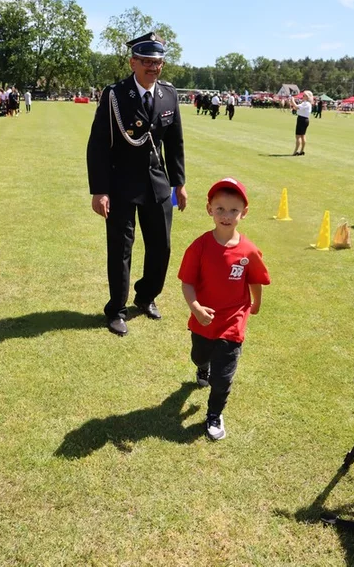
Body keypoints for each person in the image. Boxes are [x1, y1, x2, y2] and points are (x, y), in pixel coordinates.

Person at [87, 32, 187, 336]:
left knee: (162, 245)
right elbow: (98, 145)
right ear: (133, 62)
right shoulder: (115, 95)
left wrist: (179, 184)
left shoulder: (168, 94)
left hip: (157, 181)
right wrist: (99, 190)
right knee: (120, 249)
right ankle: (116, 309)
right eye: (146, 61)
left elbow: (175, 142)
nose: (153, 67)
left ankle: (146, 297)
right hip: (121, 182)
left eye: (157, 62)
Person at [178, 178, 270, 440]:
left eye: (233, 210)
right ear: (209, 210)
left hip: (233, 322)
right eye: (220, 209)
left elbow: (255, 280)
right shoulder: (199, 247)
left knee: (224, 377)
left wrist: (256, 303)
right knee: (199, 355)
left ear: (244, 213)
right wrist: (196, 308)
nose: (226, 216)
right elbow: (187, 283)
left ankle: (214, 414)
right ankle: (202, 367)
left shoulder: (249, 251)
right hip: (203, 321)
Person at [290, 90, 313, 155]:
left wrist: (292, 100)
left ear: (307, 97)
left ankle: (295, 151)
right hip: (304, 119)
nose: (302, 96)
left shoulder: (306, 103)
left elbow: (296, 107)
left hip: (302, 119)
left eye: (304, 95)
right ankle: (301, 151)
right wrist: (292, 102)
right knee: (303, 135)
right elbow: (295, 107)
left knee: (298, 136)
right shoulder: (305, 103)